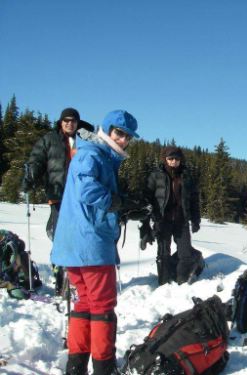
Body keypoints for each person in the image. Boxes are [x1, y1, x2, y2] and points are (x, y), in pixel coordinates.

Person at [51, 110, 139, 375]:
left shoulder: (94, 153)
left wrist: (123, 205)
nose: (123, 140)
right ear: (107, 130)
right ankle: (104, 366)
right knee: (102, 306)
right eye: (119, 133)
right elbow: (87, 188)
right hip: (90, 246)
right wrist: (115, 202)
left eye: (128, 137)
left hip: (76, 246)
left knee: (85, 304)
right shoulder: (93, 153)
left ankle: (76, 365)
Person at [23, 107, 94, 296]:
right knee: (60, 238)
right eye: (66, 120)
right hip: (58, 195)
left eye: (73, 120)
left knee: (81, 238)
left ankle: (79, 280)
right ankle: (60, 281)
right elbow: (36, 160)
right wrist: (30, 177)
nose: (69, 123)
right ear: (61, 122)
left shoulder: (86, 139)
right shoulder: (49, 139)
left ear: (78, 123)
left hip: (81, 197)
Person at [143, 146, 202, 285]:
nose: (174, 161)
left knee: (185, 253)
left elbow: (194, 200)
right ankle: (163, 282)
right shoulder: (155, 175)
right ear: (165, 159)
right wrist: (146, 223)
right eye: (170, 158)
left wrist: (196, 220)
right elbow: (146, 197)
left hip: (181, 221)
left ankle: (181, 281)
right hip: (162, 221)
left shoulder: (187, 176)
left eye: (177, 158)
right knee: (163, 254)